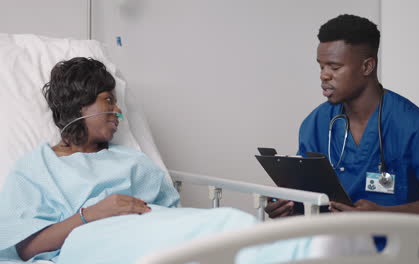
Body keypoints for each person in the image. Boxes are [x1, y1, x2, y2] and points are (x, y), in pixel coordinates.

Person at [0, 57, 320, 264]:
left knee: (225, 222)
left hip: (153, 227)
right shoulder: (37, 167)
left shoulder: (132, 161)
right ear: (79, 104)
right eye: (108, 101)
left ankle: (305, 252)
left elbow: (172, 214)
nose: (119, 113)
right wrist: (92, 214)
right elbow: (27, 249)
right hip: (92, 240)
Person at [264, 14, 419, 264]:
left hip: (403, 253)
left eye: (334, 67)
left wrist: (383, 216)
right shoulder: (316, 123)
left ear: (367, 67)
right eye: (321, 66)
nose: (324, 75)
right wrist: (288, 209)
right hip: (337, 251)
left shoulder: (411, 124)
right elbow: (312, 195)